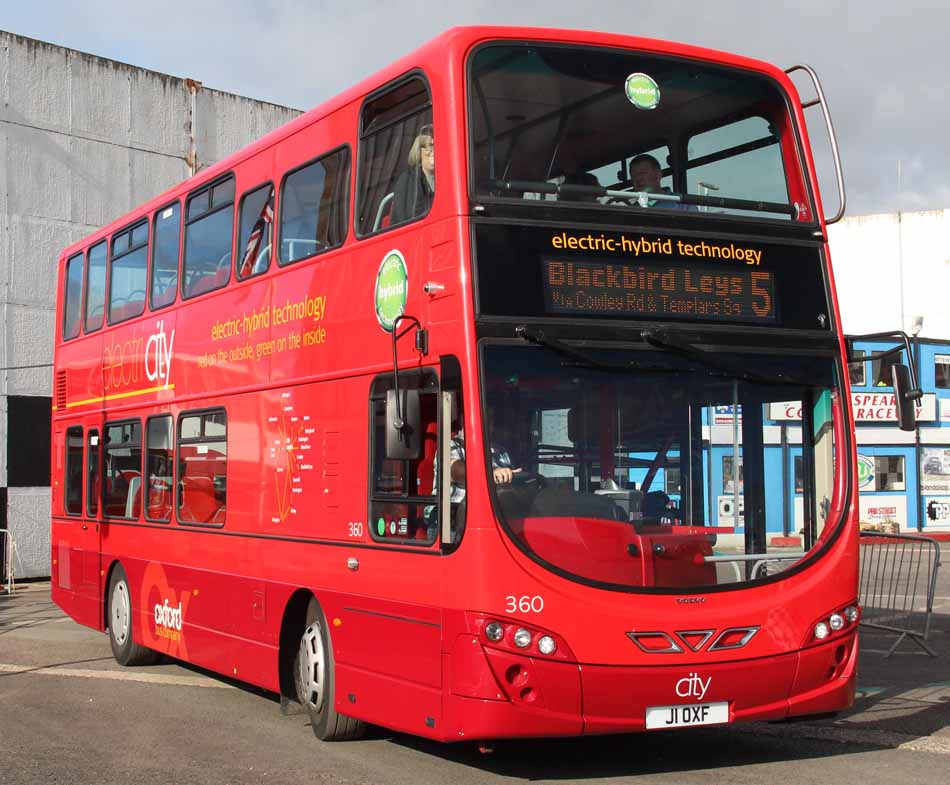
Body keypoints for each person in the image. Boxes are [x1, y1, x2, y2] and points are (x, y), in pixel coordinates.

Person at [391, 125, 435, 225]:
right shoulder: (407, 179)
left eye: (437, 145)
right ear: (419, 151)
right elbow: (408, 218)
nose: (434, 150)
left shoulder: (445, 179)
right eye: (429, 146)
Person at [628, 154, 695, 210]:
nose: (638, 178)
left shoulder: (683, 205)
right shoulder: (627, 207)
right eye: (634, 175)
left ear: (658, 175)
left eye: (643, 173)